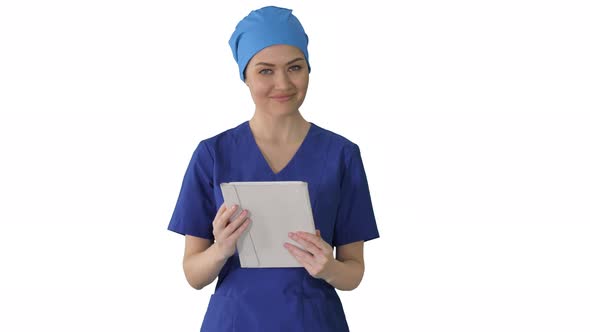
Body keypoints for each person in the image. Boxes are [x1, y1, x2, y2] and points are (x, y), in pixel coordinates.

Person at [168, 5, 379, 331]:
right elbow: (194, 275)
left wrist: (328, 267)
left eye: (295, 67)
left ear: (309, 69)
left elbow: (354, 272)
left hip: (314, 322)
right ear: (245, 76)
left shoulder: (341, 155)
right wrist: (221, 250)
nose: (283, 83)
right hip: (235, 322)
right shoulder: (212, 155)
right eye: (265, 70)